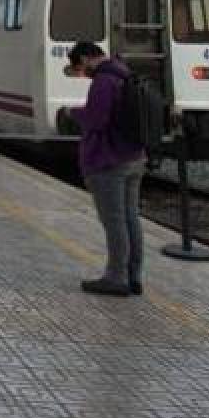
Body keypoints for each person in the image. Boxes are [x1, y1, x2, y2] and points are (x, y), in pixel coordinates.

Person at [66, 41, 146, 296]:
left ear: (88, 58)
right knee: (130, 218)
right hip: (134, 157)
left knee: (114, 221)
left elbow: (96, 120)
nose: (82, 72)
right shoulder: (124, 72)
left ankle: (116, 277)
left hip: (110, 160)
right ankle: (133, 275)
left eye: (80, 66)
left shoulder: (103, 81)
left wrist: (74, 113)